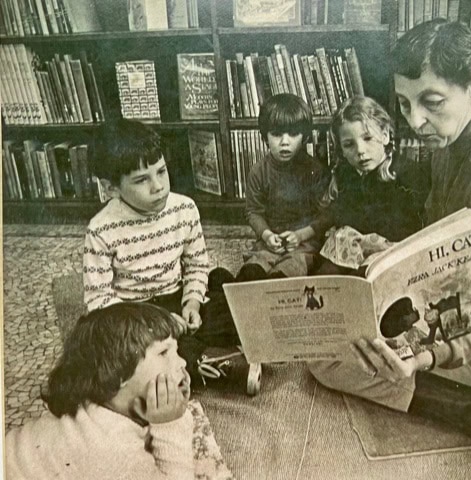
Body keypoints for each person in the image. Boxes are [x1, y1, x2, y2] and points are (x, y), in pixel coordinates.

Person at [308, 19, 471, 479]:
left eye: (431, 103)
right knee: (328, 342)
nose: (415, 121)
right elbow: (441, 245)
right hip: (462, 310)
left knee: (332, 360)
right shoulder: (452, 140)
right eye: (405, 104)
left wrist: (420, 358)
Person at [83, 119, 241, 385]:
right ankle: (200, 365)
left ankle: (182, 355)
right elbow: (98, 300)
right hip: (134, 314)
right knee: (104, 344)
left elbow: (196, 265)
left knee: (230, 301)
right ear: (111, 188)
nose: (158, 186)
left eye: (162, 171)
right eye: (141, 180)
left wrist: (191, 302)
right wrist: (158, 322)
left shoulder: (185, 209)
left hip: (176, 298)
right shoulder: (100, 230)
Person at [5, 302, 232, 480]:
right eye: (164, 353)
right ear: (120, 373)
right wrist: (170, 425)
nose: (182, 362)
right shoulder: (112, 448)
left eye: (177, 351)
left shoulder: (100, 404)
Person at [317, 96, 427, 275]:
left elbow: (408, 224)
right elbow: (339, 213)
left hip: (391, 248)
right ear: (342, 151)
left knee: (363, 277)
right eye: (349, 145)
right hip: (355, 247)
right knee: (324, 275)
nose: (360, 151)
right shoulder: (346, 174)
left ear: (385, 135)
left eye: (367, 138)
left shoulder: (404, 173)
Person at [239, 93, 331, 281]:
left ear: (304, 136)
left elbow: (326, 215)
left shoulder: (314, 170)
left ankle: (280, 279)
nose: (285, 142)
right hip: (271, 240)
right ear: (265, 136)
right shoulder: (258, 171)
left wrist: (300, 235)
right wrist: (266, 235)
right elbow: (253, 212)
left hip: (304, 242)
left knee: (292, 267)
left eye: (293, 134)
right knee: (256, 264)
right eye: (277, 134)